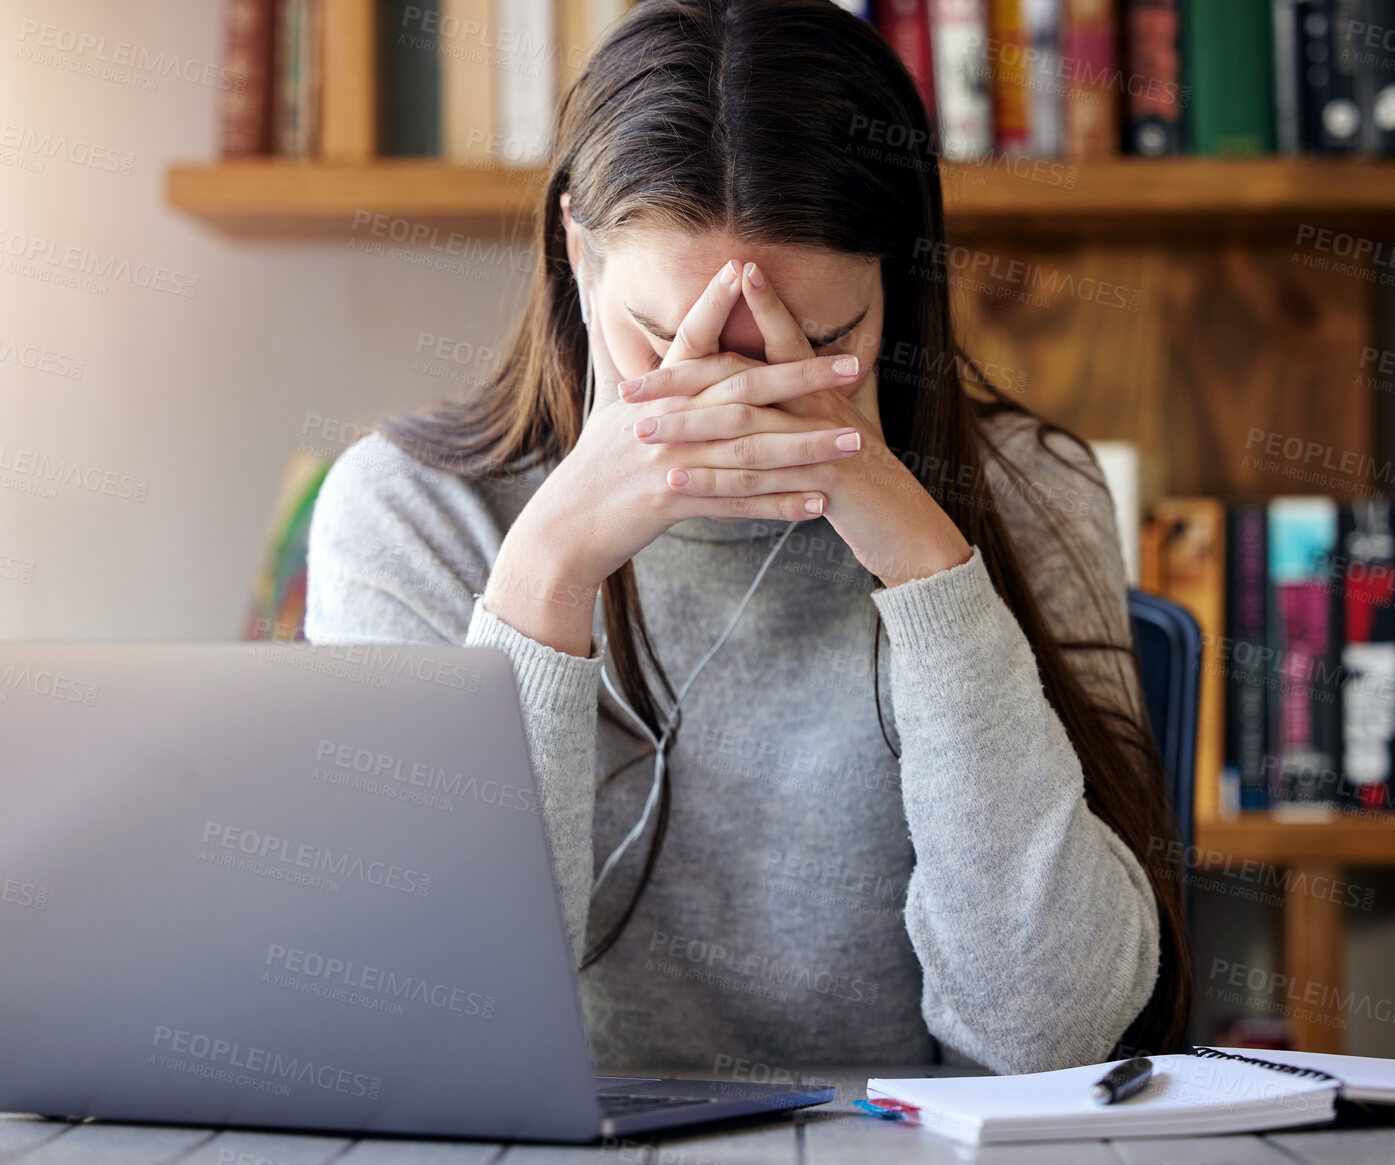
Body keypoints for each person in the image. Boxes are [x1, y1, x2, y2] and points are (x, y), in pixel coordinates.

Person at [306, 0, 1188, 1073]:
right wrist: (546, 574)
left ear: (898, 292)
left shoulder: (1027, 493)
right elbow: (426, 1024)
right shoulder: (408, 510)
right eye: (657, 337)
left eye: (814, 345)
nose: (736, 393)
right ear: (577, 254)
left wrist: (925, 563)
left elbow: (1045, 1031)